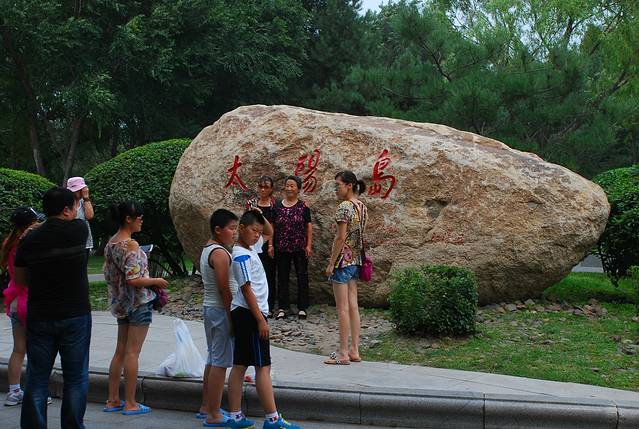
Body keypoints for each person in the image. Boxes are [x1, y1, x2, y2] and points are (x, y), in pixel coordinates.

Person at [14, 187, 91, 428]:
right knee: (75, 378)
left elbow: (20, 279)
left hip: (40, 315)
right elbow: (83, 217)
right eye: (74, 207)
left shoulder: (29, 239)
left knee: (37, 377)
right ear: (67, 210)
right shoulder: (79, 230)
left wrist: (33, 231)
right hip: (76, 314)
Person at [226, 210, 301, 429]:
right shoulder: (241, 256)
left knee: (240, 364)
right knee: (262, 366)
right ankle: (272, 419)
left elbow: (269, 231)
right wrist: (260, 319)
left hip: (246, 312)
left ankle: (235, 416)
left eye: (258, 232)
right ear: (242, 228)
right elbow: (246, 289)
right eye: (253, 231)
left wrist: (259, 215)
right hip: (250, 314)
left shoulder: (251, 248)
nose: (258, 235)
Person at [103, 202, 168, 415]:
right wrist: (156, 281)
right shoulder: (131, 244)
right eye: (138, 217)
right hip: (138, 303)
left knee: (120, 351)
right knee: (132, 353)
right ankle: (131, 402)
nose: (141, 220)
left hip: (121, 304)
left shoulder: (111, 243)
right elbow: (134, 279)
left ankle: (113, 399)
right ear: (128, 219)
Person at [1, 207, 47, 407]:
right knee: (38, 348)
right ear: (30, 224)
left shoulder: (10, 243)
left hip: (14, 300)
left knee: (18, 349)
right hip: (30, 301)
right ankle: (37, 392)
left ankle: (13, 392)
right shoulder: (30, 244)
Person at [197, 209, 238, 426]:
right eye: (231, 228)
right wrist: (231, 317)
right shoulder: (220, 253)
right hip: (220, 310)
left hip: (211, 308)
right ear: (218, 230)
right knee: (220, 362)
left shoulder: (208, 248)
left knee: (213, 358)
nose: (234, 233)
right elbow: (224, 289)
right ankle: (214, 414)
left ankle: (207, 406)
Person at [324, 171, 368, 366]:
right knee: (353, 306)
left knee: (342, 308)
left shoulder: (344, 207)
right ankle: (354, 350)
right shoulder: (362, 206)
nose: (336, 189)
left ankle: (342, 352)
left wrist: (331, 262)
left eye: (338, 185)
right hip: (356, 260)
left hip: (343, 261)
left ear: (349, 185)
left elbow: (340, 237)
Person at [272, 176, 312, 320]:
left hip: (299, 247)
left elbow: (308, 226)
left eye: (292, 186)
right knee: (282, 277)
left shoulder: (303, 206)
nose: (289, 188)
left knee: (302, 276)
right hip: (281, 247)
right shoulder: (277, 206)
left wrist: (308, 245)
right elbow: (272, 226)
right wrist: (270, 244)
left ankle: (302, 307)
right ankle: (283, 307)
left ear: (298, 189)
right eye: (287, 185)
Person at [246, 176, 277, 317]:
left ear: (271, 189)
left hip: (269, 241)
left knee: (269, 274)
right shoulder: (252, 203)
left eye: (266, 187)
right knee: (254, 273)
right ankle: (254, 304)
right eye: (261, 187)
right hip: (254, 240)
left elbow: (273, 225)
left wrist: (270, 244)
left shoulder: (274, 204)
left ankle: (269, 304)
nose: (263, 190)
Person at [66, 177, 94, 258]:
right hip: (70, 242)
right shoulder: (66, 202)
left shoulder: (83, 201)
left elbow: (89, 216)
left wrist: (86, 198)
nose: (82, 192)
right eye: (79, 190)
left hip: (84, 242)